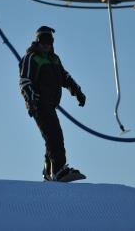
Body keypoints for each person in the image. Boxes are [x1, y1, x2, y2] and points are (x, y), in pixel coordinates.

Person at [19, 26, 86, 182]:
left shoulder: (54, 59)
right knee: (54, 135)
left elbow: (65, 77)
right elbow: (25, 81)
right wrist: (31, 100)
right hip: (39, 103)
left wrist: (77, 92)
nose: (46, 45)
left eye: (49, 42)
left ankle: (49, 170)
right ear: (38, 41)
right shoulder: (31, 58)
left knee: (52, 136)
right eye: (43, 41)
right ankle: (58, 169)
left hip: (50, 104)